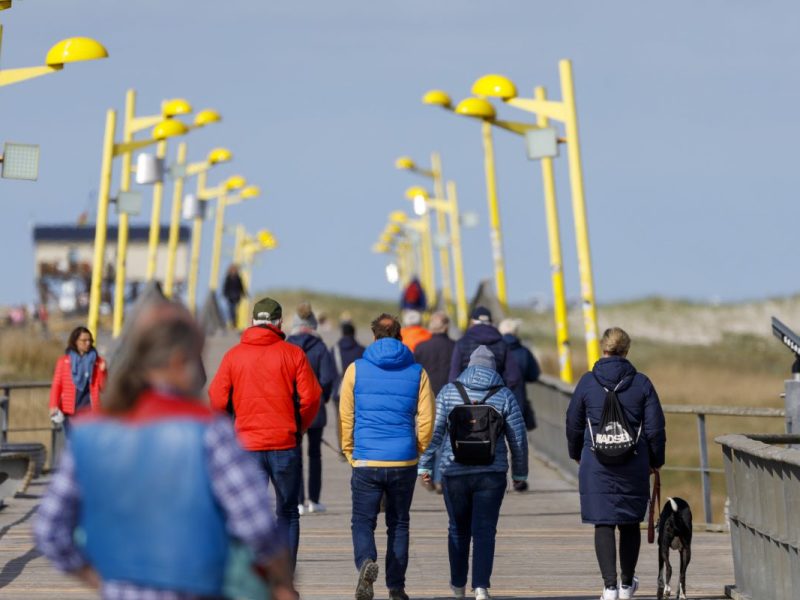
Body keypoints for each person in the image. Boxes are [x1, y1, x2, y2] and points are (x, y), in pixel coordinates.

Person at [34, 302, 297, 600]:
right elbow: (258, 526)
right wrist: (281, 582)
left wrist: (99, 579)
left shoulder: (88, 432)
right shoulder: (208, 432)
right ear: (178, 359)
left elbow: (49, 529)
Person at [209, 296, 322, 569]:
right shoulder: (293, 354)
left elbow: (216, 398)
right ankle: (285, 579)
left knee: (249, 515)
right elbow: (312, 398)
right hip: (285, 443)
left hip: (246, 446)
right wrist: (300, 427)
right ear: (279, 323)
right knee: (287, 513)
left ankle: (253, 579)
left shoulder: (233, 356)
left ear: (251, 322)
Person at [339, 313, 436, 600]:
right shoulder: (418, 371)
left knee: (362, 520)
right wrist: (417, 449)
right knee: (399, 522)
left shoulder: (355, 369)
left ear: (374, 336)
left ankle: (366, 562)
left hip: (366, 459)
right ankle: (396, 587)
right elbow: (427, 419)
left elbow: (347, 415)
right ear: (399, 335)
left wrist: (349, 451)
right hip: (403, 460)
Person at [419, 346, 528, 600]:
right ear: (493, 369)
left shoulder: (449, 392)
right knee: (485, 530)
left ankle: (458, 586)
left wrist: (424, 465)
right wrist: (520, 474)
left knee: (457, 529)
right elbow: (518, 439)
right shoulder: (504, 395)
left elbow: (433, 433)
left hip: (453, 471)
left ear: (469, 366)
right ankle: (480, 587)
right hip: (492, 473)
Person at [566, 327, 666, 600]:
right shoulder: (642, 383)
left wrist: (577, 453)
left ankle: (609, 587)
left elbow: (573, 423)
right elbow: (655, 428)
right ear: (626, 351)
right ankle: (625, 585)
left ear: (603, 349)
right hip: (633, 462)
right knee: (630, 522)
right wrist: (655, 461)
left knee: (604, 522)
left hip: (596, 462)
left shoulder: (587, 382)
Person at [286, 302, 337, 515]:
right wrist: (320, 399)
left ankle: (297, 502)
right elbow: (327, 378)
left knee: (295, 456)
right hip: (315, 410)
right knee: (315, 455)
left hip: (291, 410)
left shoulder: (287, 346)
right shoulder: (320, 347)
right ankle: (314, 500)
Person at [413, 311, 456, 492]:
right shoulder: (456, 346)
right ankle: (440, 479)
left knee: (428, 439)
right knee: (446, 440)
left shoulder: (421, 347)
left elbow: (415, 374)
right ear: (446, 326)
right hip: (451, 397)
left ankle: (426, 474)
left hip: (427, 398)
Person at [49, 326, 107, 435]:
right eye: (84, 340)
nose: (88, 343)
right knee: (72, 441)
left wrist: (103, 371)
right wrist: (53, 406)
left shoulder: (98, 361)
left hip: (90, 409)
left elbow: (103, 387)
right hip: (69, 409)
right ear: (75, 341)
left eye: (90, 340)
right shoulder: (64, 361)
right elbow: (57, 385)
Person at [448, 307, 521, 392]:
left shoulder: (462, 343)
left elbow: (454, 375)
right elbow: (514, 376)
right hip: (495, 396)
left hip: (467, 397)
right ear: (491, 322)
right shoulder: (502, 344)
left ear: (472, 322)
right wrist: (502, 391)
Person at [330, 319, 366, 454]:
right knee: (357, 420)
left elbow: (330, 373)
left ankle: (343, 448)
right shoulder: (362, 350)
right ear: (354, 333)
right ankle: (356, 447)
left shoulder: (334, 350)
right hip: (357, 391)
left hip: (338, 391)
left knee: (341, 420)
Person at [498, 318, 540, 432]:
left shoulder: (494, 350)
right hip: (518, 401)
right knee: (518, 439)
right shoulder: (524, 351)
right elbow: (534, 375)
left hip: (497, 401)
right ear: (515, 332)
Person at [222, 264, 246, 328]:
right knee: (231, 310)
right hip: (230, 297)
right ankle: (232, 322)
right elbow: (225, 287)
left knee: (235, 310)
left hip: (236, 297)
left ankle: (234, 322)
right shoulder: (228, 278)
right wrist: (225, 294)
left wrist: (244, 294)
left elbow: (241, 287)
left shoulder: (238, 278)